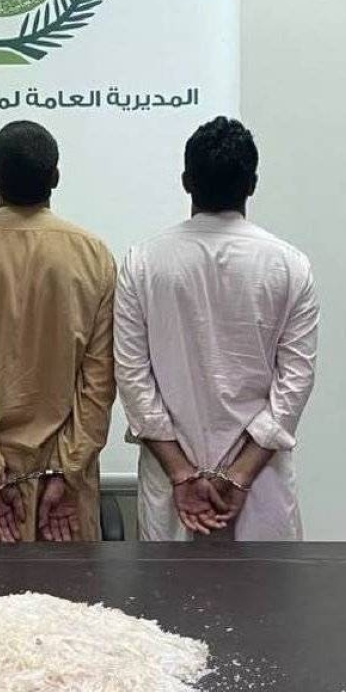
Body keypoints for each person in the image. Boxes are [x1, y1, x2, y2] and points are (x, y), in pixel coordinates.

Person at [114, 117, 319, 541]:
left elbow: (133, 380)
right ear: (252, 184)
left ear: (186, 181)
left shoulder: (142, 263)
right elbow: (295, 384)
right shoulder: (290, 266)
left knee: (168, 588)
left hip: (173, 489)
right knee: (266, 587)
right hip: (261, 484)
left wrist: (181, 473)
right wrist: (240, 476)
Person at [0, 121, 116, 543]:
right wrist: (66, 471)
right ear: (56, 177)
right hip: (64, 500)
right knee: (68, 590)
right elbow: (99, 385)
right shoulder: (93, 255)